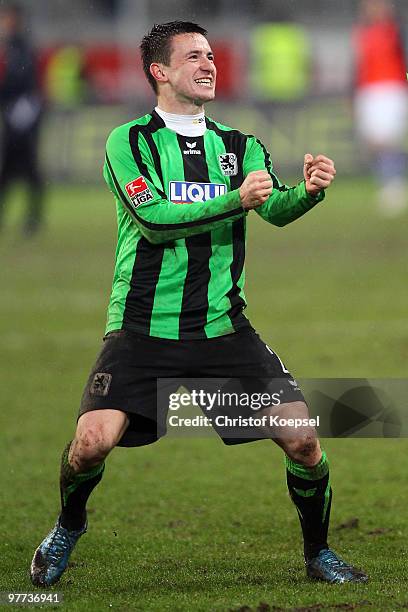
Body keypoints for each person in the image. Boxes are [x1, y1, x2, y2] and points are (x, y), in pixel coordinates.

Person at [30, 21, 367, 587]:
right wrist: (234, 200)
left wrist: (308, 193)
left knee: (304, 440)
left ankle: (318, 554)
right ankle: (68, 526)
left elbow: (273, 208)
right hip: (141, 329)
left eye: (211, 54)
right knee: (90, 445)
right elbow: (153, 221)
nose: (208, 64)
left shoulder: (240, 146)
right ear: (160, 72)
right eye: (193, 56)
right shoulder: (129, 142)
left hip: (222, 328)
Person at [352, 0, 407, 216]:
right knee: (373, 143)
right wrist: (354, 93)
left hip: (392, 89)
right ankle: (390, 181)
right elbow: (357, 66)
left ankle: (394, 185)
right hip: (368, 92)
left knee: (388, 139)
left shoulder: (397, 31)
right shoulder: (361, 33)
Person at [0, 3, 44, 236]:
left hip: (23, 117)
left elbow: (21, 80)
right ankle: (30, 219)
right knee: (9, 170)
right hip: (14, 115)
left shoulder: (20, 48)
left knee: (27, 169)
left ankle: (33, 219)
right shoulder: (12, 47)